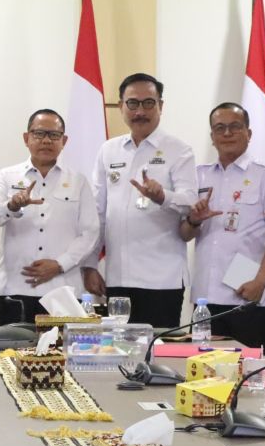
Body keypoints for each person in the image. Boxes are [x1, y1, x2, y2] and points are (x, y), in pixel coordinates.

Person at [82, 73, 197, 327]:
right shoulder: (108, 150)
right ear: (121, 106)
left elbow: (190, 201)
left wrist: (162, 196)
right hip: (118, 277)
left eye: (148, 103)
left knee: (157, 349)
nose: (140, 111)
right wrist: (90, 265)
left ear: (160, 106)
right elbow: (98, 213)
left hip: (162, 280)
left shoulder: (179, 150)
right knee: (116, 347)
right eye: (133, 103)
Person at [179, 103, 265, 348]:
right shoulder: (199, 175)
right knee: (204, 365)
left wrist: (260, 281)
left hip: (247, 295)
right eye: (220, 128)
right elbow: (184, 234)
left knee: (246, 366)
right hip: (206, 297)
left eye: (235, 127)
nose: (227, 133)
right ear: (212, 136)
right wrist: (194, 220)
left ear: (249, 133)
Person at [0, 109, 99, 325]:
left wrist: (59, 264)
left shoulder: (78, 181)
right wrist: (12, 206)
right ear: (26, 138)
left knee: (62, 348)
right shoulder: (7, 176)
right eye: (39, 134)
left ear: (64, 141)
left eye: (54, 135)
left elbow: (90, 232)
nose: (46, 141)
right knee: (14, 347)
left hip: (64, 290)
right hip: (15, 289)